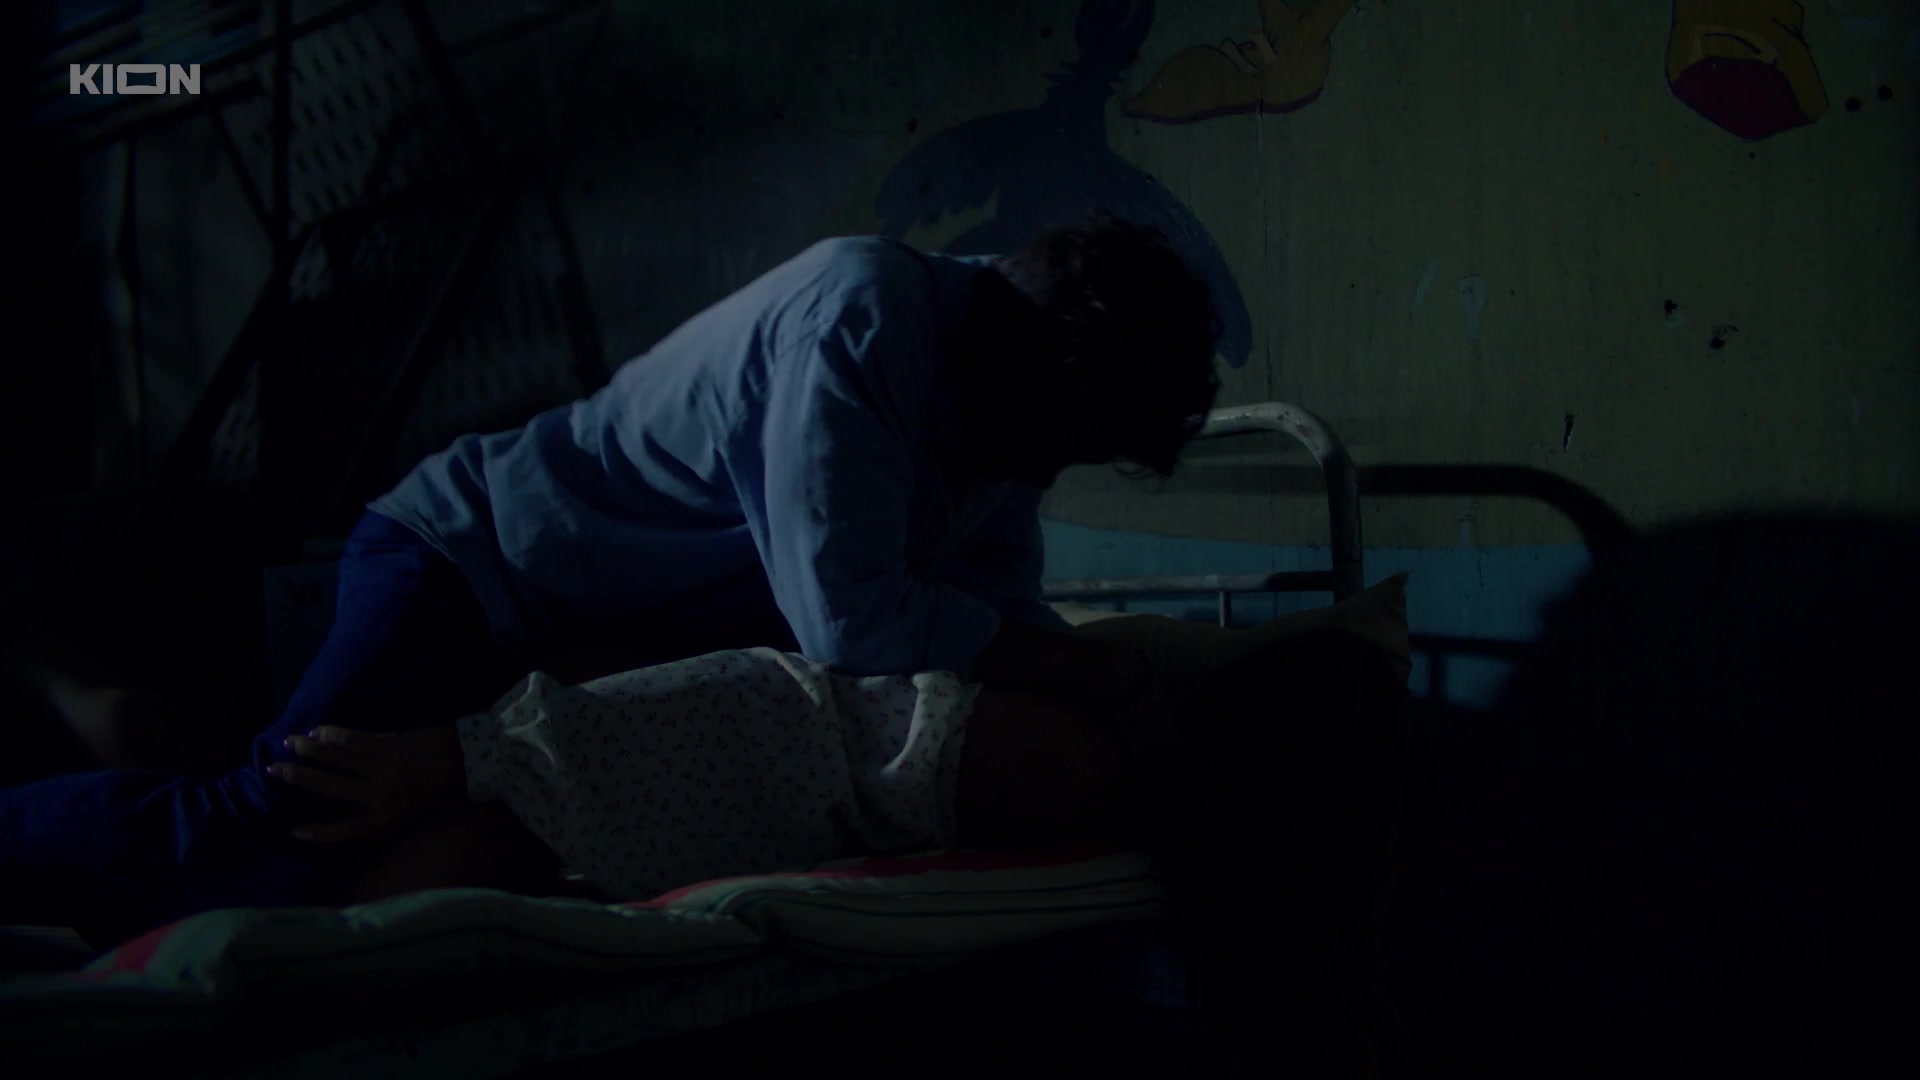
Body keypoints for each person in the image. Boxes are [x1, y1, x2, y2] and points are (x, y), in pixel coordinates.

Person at [0, 213, 1222, 942]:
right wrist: (1105, 674)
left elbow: (997, 617)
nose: (1056, 468)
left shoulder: (1004, 433)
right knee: (279, 826)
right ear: (1041, 366)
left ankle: (76, 700)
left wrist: (1100, 688)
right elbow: (857, 623)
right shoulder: (865, 318)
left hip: (588, 624)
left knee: (318, 814)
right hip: (473, 562)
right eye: (1072, 436)